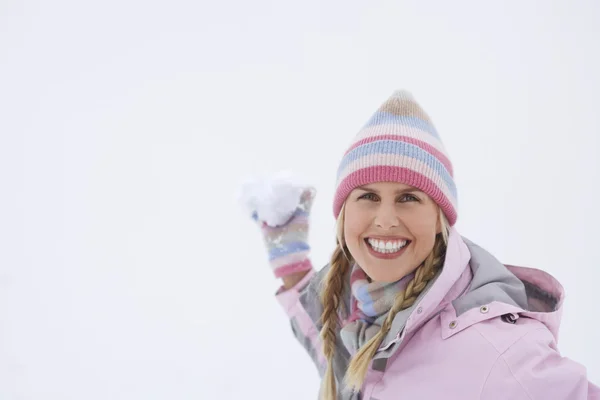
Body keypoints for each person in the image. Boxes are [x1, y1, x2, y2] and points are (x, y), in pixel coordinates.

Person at [241, 90, 600, 399]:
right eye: (367, 195)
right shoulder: (359, 313)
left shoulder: (497, 350)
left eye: (408, 198)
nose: (384, 219)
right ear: (344, 214)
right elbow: (336, 356)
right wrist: (289, 263)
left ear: (441, 217)